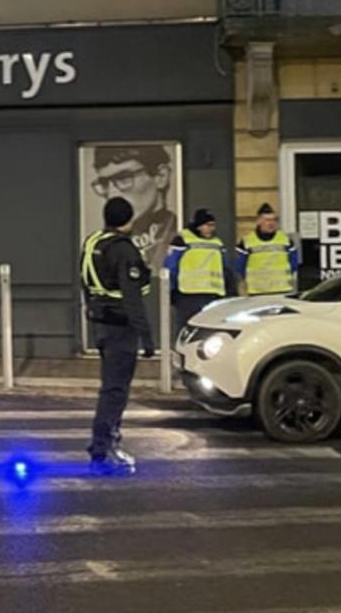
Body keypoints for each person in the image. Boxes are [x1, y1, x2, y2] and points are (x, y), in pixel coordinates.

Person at [80, 197, 154, 476]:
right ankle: (104, 448)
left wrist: (92, 310)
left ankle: (102, 446)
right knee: (115, 391)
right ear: (129, 220)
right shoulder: (124, 250)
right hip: (121, 327)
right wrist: (147, 336)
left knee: (109, 387)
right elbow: (132, 296)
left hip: (101, 323)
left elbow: (85, 282)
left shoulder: (93, 243)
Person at [90, 146, 176, 269]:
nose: (112, 194)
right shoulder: (101, 244)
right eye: (104, 183)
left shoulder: (178, 236)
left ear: (161, 176)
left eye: (124, 178)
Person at [165, 208, 234, 333]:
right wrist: (173, 290)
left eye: (213, 225)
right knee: (187, 331)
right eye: (208, 225)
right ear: (199, 226)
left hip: (213, 295)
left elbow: (226, 269)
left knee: (211, 332)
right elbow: (171, 266)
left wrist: (230, 290)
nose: (211, 228)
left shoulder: (217, 243)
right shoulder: (183, 240)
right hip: (188, 295)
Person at [235, 203, 299, 296]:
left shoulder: (286, 240)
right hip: (257, 292)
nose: (271, 223)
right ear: (259, 221)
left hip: (282, 291)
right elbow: (239, 267)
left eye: (274, 220)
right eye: (267, 220)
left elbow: (294, 264)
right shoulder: (246, 242)